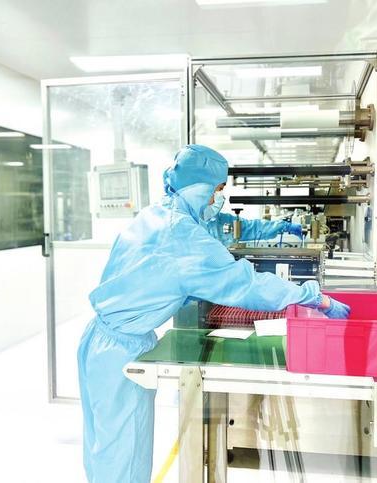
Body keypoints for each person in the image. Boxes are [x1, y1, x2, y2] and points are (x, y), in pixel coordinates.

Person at [77, 144, 350, 483]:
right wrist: (311, 296)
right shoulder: (181, 234)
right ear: (198, 187)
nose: (216, 199)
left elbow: (154, 273)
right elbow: (245, 284)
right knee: (124, 459)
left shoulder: (157, 214)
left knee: (104, 450)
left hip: (98, 341)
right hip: (121, 353)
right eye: (215, 190)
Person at [202, 186, 303, 246]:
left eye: (221, 190)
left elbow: (253, 228)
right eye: (219, 189)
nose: (221, 195)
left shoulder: (219, 221)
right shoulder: (194, 227)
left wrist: (284, 226)